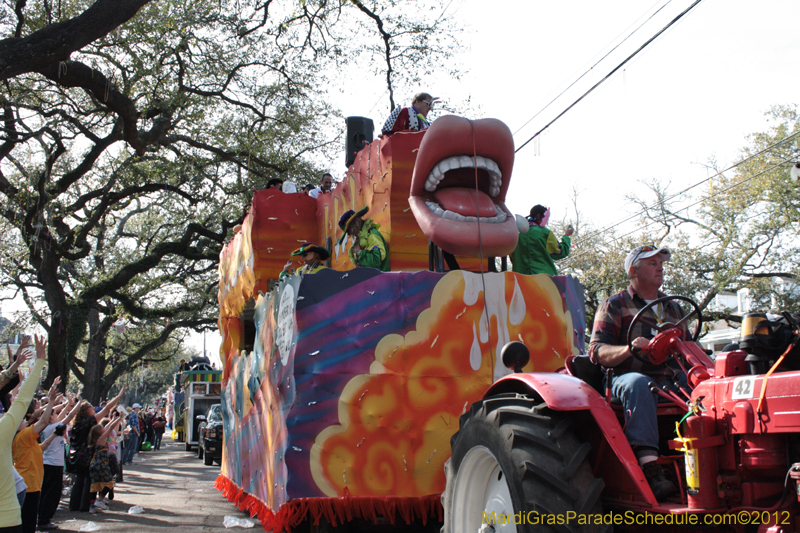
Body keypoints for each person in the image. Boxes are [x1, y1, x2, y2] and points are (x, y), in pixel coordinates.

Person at [588, 245, 690, 500]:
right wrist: (629, 349)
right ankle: (650, 467)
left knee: (705, 387)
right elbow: (597, 351)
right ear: (633, 271)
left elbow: (688, 346)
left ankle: (704, 459)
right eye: (651, 263)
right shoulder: (614, 305)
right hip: (624, 380)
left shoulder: (674, 308)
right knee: (639, 384)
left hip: (670, 381)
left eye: (660, 262)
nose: (660, 267)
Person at [0, 335, 44, 533]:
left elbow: (16, 393)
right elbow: (22, 398)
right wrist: (38, 362)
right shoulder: (5, 427)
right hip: (8, 518)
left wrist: (15, 362)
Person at [11, 375, 60, 533]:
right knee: (27, 525)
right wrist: (51, 400)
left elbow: (41, 447)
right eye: (22, 420)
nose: (25, 420)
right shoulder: (24, 435)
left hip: (31, 485)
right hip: (28, 486)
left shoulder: (26, 439)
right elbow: (43, 421)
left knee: (28, 523)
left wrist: (54, 435)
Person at [68, 390, 125, 513]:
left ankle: (74, 505)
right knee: (88, 481)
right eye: (90, 407)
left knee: (78, 480)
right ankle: (84, 505)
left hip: (77, 456)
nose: (93, 408)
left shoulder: (77, 424)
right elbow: (106, 409)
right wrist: (118, 396)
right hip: (88, 455)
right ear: (85, 411)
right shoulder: (88, 422)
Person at [38, 395, 81, 530]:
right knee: (52, 493)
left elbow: (62, 416)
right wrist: (79, 402)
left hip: (48, 462)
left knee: (46, 491)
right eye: (54, 413)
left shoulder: (46, 427)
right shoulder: (53, 427)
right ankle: (44, 520)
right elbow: (69, 416)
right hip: (53, 464)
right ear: (50, 417)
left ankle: (42, 518)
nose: (57, 414)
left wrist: (68, 403)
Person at [511, 204, 573, 276]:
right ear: (538, 216)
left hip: (520, 280)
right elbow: (560, 252)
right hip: (544, 279)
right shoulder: (545, 233)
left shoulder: (515, 234)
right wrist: (566, 235)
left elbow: (512, 256)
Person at [338, 207, 389, 271]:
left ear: (354, 225)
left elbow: (376, 262)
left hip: (380, 279)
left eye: (349, 231)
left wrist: (359, 252)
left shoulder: (372, 235)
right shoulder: (361, 239)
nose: (351, 235)